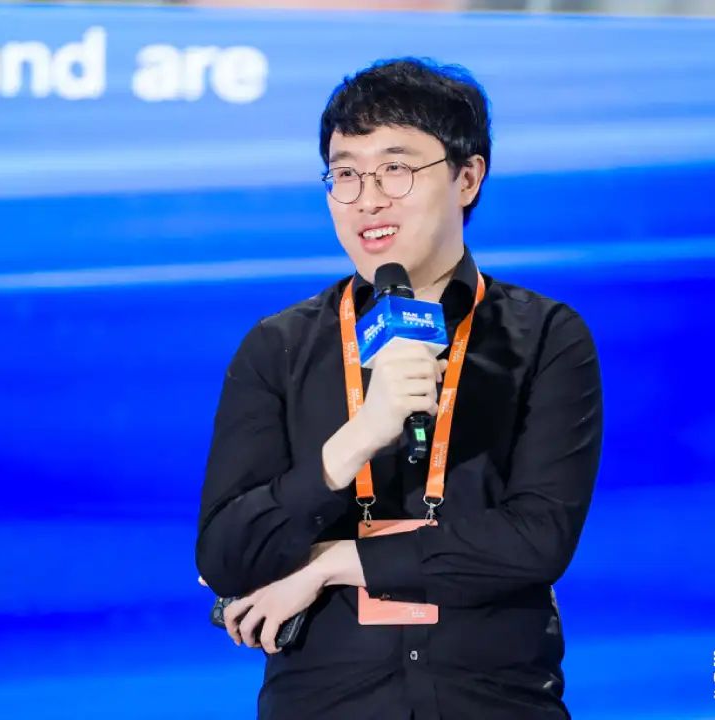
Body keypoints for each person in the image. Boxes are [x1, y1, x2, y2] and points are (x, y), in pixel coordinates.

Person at [195, 57, 602, 720]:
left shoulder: (546, 337)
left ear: (467, 177)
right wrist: (355, 441)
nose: (368, 199)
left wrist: (332, 562)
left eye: (395, 168)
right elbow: (225, 556)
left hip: (495, 701)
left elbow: (536, 541)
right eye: (346, 174)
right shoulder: (278, 346)